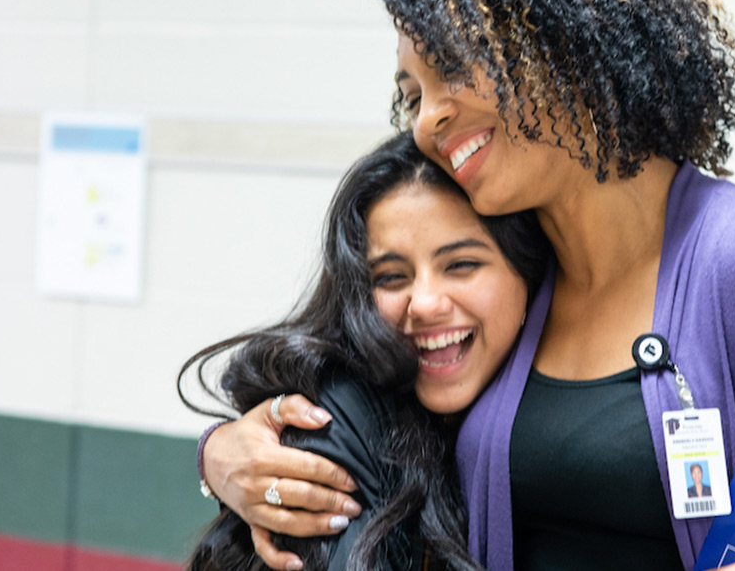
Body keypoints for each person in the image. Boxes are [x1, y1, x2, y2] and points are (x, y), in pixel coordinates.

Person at [202, 0, 735, 570]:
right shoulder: (509, 277)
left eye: (449, 68)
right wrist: (223, 458)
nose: (425, 120)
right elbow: (358, 402)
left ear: (563, 38)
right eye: (411, 95)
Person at [180, 133, 548, 571]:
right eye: (392, 277)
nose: (425, 303)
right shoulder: (336, 416)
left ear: (526, 274)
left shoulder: (542, 406)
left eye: (461, 265)